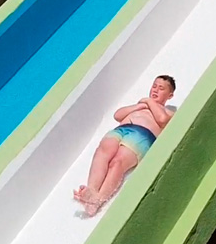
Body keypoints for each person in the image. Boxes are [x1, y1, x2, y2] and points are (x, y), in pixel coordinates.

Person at [73, 75, 177, 217]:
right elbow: (118, 115)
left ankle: (98, 200)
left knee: (117, 162)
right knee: (103, 151)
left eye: (161, 88)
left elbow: (162, 119)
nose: (155, 90)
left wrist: (148, 101)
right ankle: (92, 190)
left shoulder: (168, 112)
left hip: (141, 135)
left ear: (170, 95)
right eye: (154, 86)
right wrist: (139, 105)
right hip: (121, 129)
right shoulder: (141, 106)